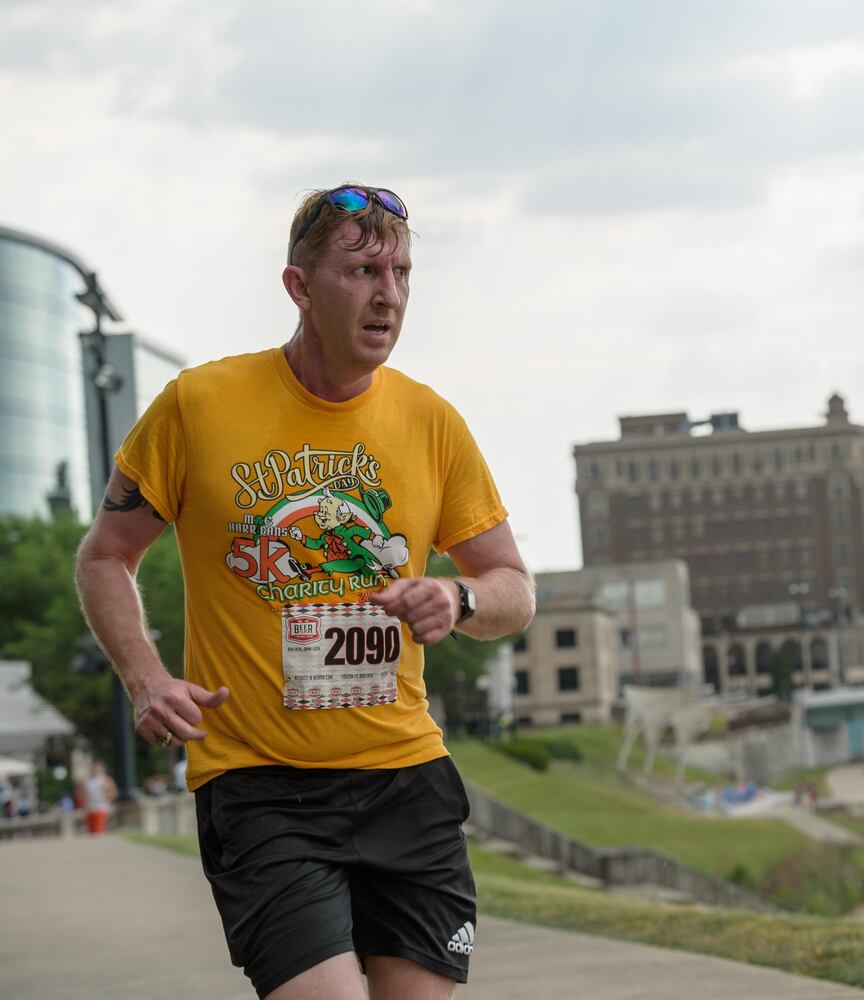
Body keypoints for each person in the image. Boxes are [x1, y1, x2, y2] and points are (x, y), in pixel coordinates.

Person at [75, 184, 536, 1000]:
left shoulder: (432, 423)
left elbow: (513, 587)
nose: (388, 294)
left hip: (404, 778)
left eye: (400, 272)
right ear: (300, 286)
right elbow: (106, 556)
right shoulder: (199, 406)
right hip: (262, 786)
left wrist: (458, 600)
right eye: (362, 271)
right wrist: (145, 679)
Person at [76, 760, 117, 836]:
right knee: (91, 830)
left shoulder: (106, 779)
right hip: (89, 807)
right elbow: (79, 793)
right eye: (94, 768)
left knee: (99, 829)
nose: (95, 770)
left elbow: (113, 792)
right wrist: (83, 801)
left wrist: (107, 796)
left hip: (101, 806)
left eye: (97, 768)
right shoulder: (87, 780)